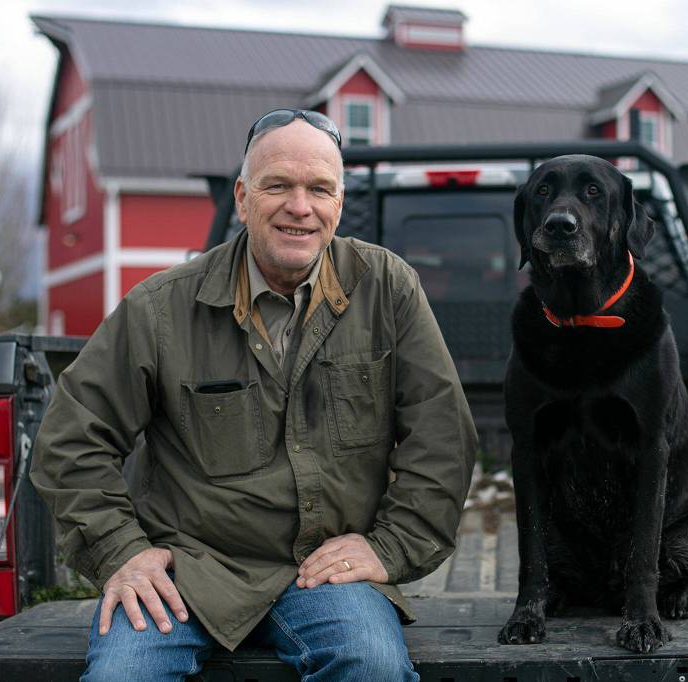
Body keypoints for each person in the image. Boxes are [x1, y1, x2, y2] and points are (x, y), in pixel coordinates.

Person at [30, 108, 478, 681]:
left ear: (339, 203)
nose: (300, 206)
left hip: (326, 573)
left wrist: (389, 548)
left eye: (320, 188)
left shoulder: (387, 288)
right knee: (122, 676)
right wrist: (122, 551)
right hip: (187, 572)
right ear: (242, 198)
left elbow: (441, 438)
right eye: (278, 186)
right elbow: (71, 440)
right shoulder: (162, 308)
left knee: (374, 669)